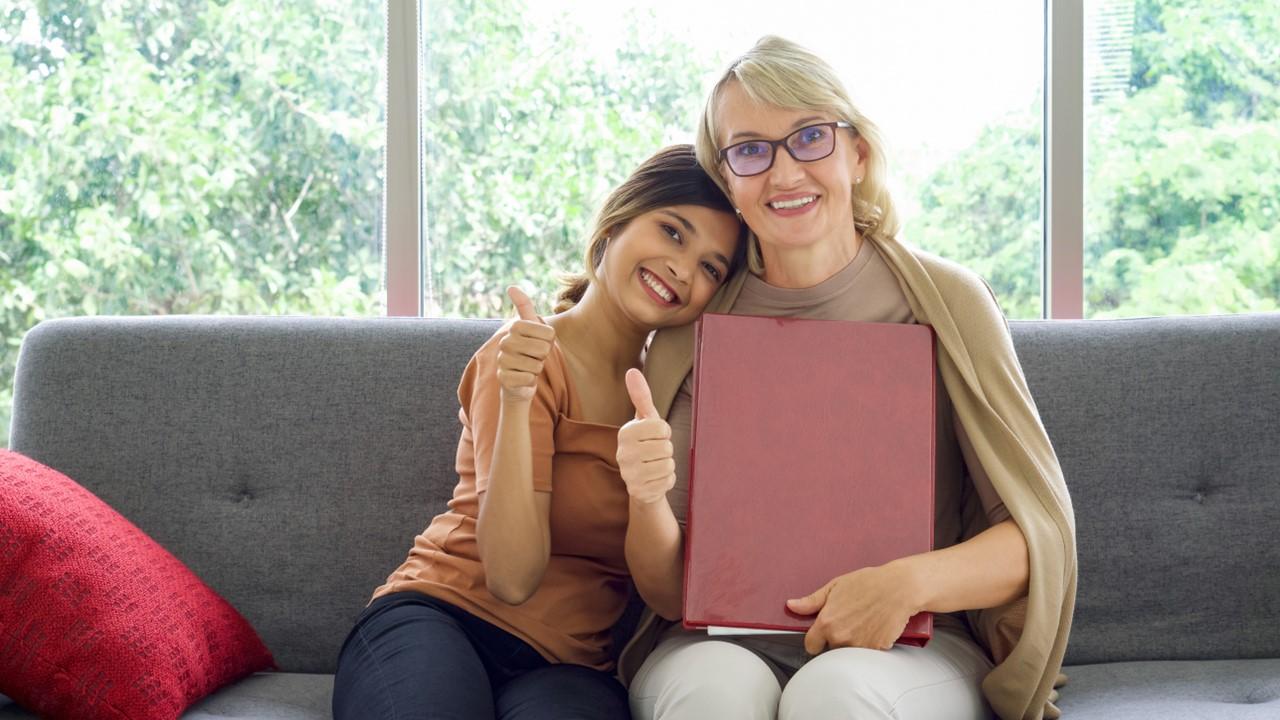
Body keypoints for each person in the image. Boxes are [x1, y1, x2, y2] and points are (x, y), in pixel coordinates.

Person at [615, 37, 1077, 720]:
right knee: (711, 697)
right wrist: (647, 498)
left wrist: (904, 585)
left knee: (835, 696)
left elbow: (1036, 537)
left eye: (809, 137)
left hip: (914, 644)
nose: (783, 173)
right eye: (750, 150)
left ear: (857, 153)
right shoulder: (690, 332)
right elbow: (665, 593)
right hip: (718, 640)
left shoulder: (947, 301)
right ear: (727, 180)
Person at [332, 144, 746, 720]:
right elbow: (511, 577)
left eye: (710, 267)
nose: (683, 268)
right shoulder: (524, 353)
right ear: (615, 224)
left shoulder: (678, 401)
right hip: (440, 615)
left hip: (570, 668)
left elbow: (671, 598)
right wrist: (518, 396)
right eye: (673, 232)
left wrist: (648, 493)